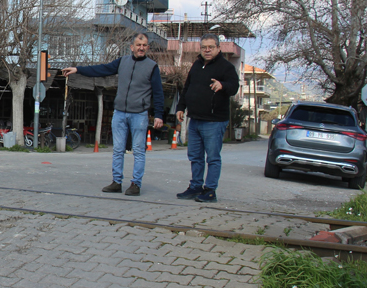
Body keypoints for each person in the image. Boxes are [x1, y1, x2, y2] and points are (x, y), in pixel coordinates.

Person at [61, 33, 164, 196]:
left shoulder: (152, 67)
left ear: (148, 48)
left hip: (139, 114)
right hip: (120, 113)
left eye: (144, 45)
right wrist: (78, 69)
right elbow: (102, 69)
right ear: (132, 47)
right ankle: (116, 182)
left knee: (138, 150)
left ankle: (135, 184)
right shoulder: (122, 62)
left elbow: (158, 92)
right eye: (138, 45)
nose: (141, 48)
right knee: (117, 149)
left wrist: (159, 115)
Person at [175, 33, 240, 203]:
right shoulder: (196, 65)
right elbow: (187, 87)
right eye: (204, 47)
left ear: (218, 48)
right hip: (195, 119)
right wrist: (181, 107)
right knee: (195, 157)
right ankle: (196, 186)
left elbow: (234, 87)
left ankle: (210, 190)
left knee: (212, 158)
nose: (207, 50)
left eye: (211, 47)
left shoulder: (226, 67)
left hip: (214, 121)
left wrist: (222, 85)